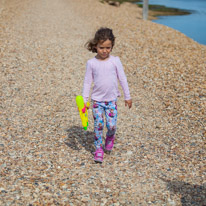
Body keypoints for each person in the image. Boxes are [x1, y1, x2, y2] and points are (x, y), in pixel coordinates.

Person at [83, 27, 132, 163]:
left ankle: (110, 137)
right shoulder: (91, 63)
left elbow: (122, 79)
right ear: (95, 46)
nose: (105, 51)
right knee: (98, 124)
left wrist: (127, 96)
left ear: (112, 46)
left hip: (111, 100)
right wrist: (84, 100)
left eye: (108, 48)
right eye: (101, 47)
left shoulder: (115, 61)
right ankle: (98, 149)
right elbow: (87, 82)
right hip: (97, 101)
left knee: (111, 125)